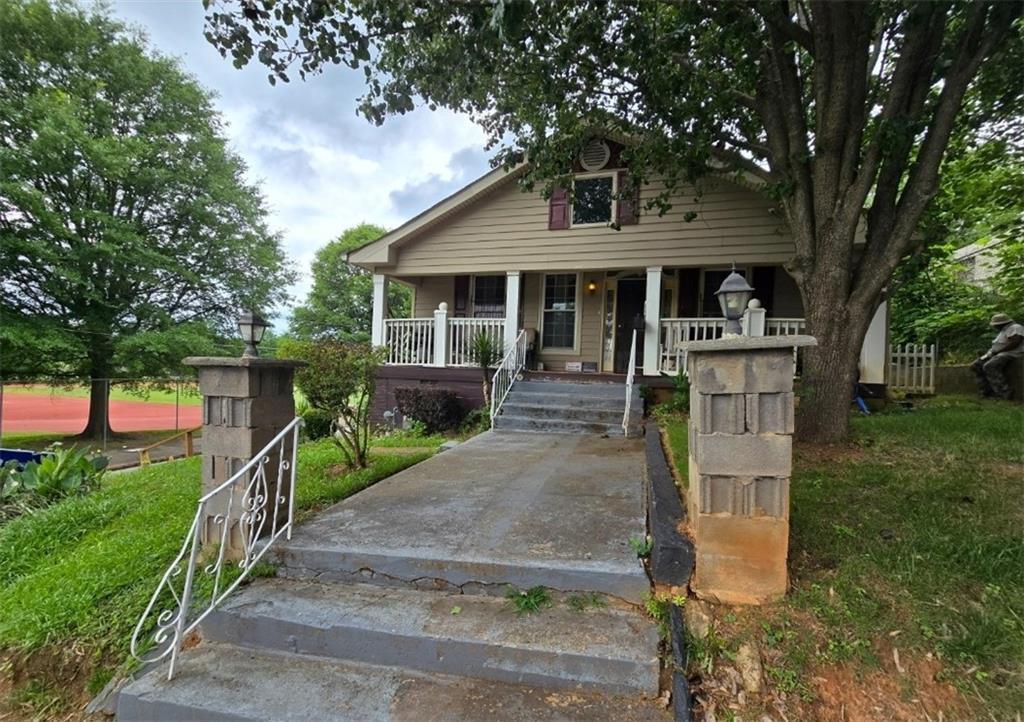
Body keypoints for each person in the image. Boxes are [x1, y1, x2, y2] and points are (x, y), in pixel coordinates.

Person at [971, 313, 1024, 399]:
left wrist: (998, 351)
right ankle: (987, 391)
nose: (995, 327)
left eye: (996, 325)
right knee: (976, 365)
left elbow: (1015, 342)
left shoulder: (1015, 327)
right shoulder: (1003, 331)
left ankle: (1004, 392)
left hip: (1010, 353)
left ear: (1002, 323)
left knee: (990, 366)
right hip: (996, 353)